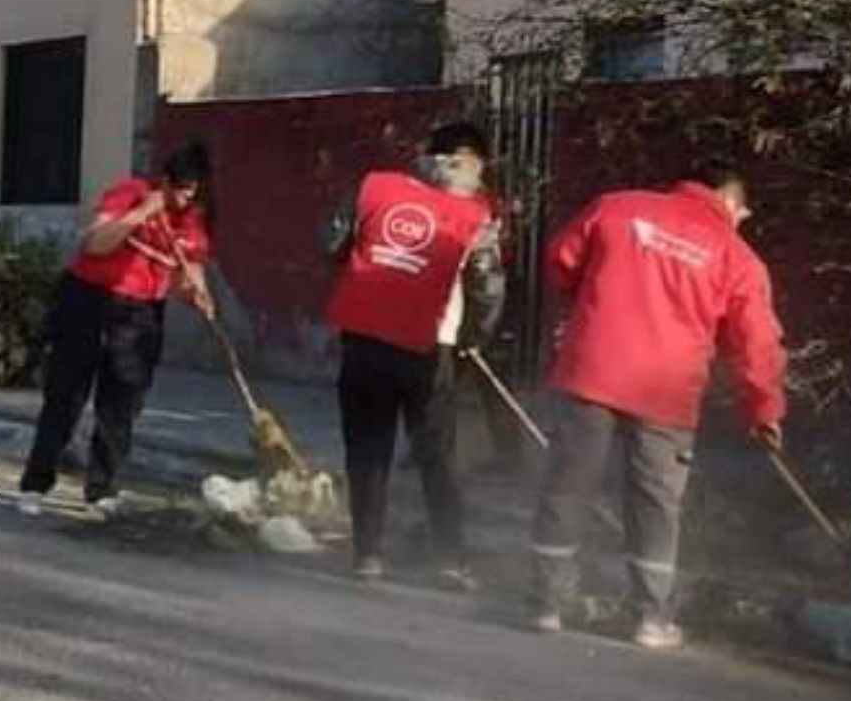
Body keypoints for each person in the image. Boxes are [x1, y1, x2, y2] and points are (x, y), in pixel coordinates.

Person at [527, 156, 788, 649]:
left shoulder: (617, 208)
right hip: (665, 393)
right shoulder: (736, 255)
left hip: (592, 371)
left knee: (568, 485)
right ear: (730, 201)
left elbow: (561, 258)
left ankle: (546, 605)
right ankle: (650, 619)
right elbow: (756, 343)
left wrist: (591, 300)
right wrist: (763, 410)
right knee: (655, 504)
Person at [321, 119, 504, 587]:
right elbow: (487, 288)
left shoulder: (373, 187)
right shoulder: (476, 214)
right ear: (473, 162)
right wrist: (473, 341)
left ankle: (367, 556)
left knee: (367, 450)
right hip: (428, 346)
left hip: (362, 336)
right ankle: (451, 560)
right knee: (436, 455)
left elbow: (332, 244)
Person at [17, 141, 219, 520]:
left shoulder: (194, 222)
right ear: (165, 181)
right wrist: (142, 212)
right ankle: (35, 483)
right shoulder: (130, 193)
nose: (184, 198)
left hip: (141, 313)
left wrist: (199, 295)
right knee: (66, 395)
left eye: (193, 191)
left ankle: (102, 489)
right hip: (88, 300)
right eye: (180, 188)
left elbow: (191, 271)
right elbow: (95, 244)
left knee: (122, 403)